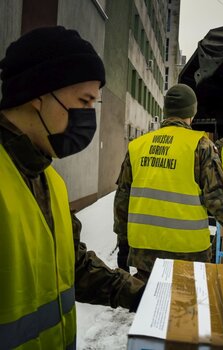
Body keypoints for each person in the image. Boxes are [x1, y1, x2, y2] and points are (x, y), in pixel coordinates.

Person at [0, 26, 145, 349]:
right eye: (83, 101)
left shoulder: (50, 180)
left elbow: (72, 266)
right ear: (39, 94)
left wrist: (140, 293)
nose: (88, 117)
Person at [114, 84, 223, 282]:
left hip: (144, 254)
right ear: (192, 112)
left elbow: (122, 200)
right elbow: (219, 202)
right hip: (189, 254)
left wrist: (123, 245)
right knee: (188, 310)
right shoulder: (200, 146)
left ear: (165, 111)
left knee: (153, 309)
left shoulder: (137, 146)